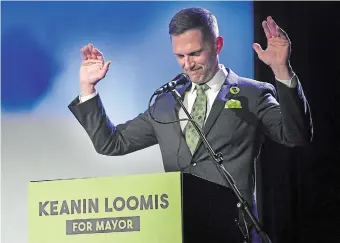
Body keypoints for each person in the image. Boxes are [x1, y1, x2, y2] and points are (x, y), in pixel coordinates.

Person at [68, 7, 313, 242]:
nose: (188, 64)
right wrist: (88, 89)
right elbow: (111, 143)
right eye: (180, 56)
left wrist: (282, 70)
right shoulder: (166, 101)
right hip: (179, 231)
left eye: (195, 53)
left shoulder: (252, 94)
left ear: (217, 45)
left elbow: (295, 136)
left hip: (234, 232)